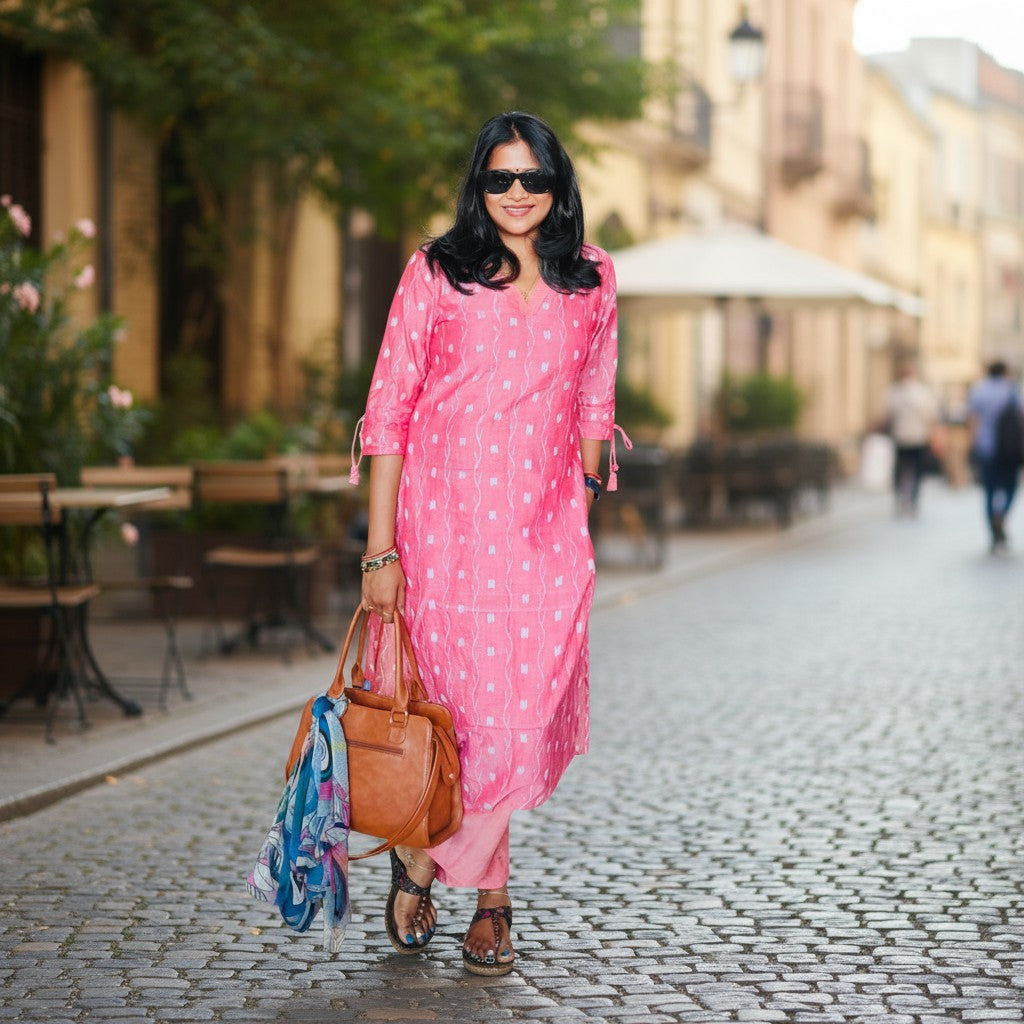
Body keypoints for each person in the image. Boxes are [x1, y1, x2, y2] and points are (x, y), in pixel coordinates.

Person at [351, 111, 621, 975]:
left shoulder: (592, 278)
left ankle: (422, 856)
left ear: (556, 188)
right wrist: (381, 551)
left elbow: (593, 399)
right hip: (443, 535)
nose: (515, 195)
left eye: (532, 180)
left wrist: (576, 499)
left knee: (521, 718)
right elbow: (389, 410)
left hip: (543, 537)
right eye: (499, 179)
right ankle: (492, 901)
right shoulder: (437, 273)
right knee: (461, 721)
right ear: (478, 185)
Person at [967, 360, 1023, 551]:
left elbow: (973, 420)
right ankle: (1001, 515)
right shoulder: (1012, 391)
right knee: (1010, 488)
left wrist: (972, 444)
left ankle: (993, 530)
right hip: (1009, 449)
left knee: (989, 491)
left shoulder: (979, 391)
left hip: (986, 448)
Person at [885, 359, 939, 516]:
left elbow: (888, 414)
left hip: (900, 436)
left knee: (900, 469)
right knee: (917, 469)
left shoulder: (894, 391)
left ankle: (900, 497)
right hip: (918, 437)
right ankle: (914, 498)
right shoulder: (921, 392)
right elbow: (930, 416)